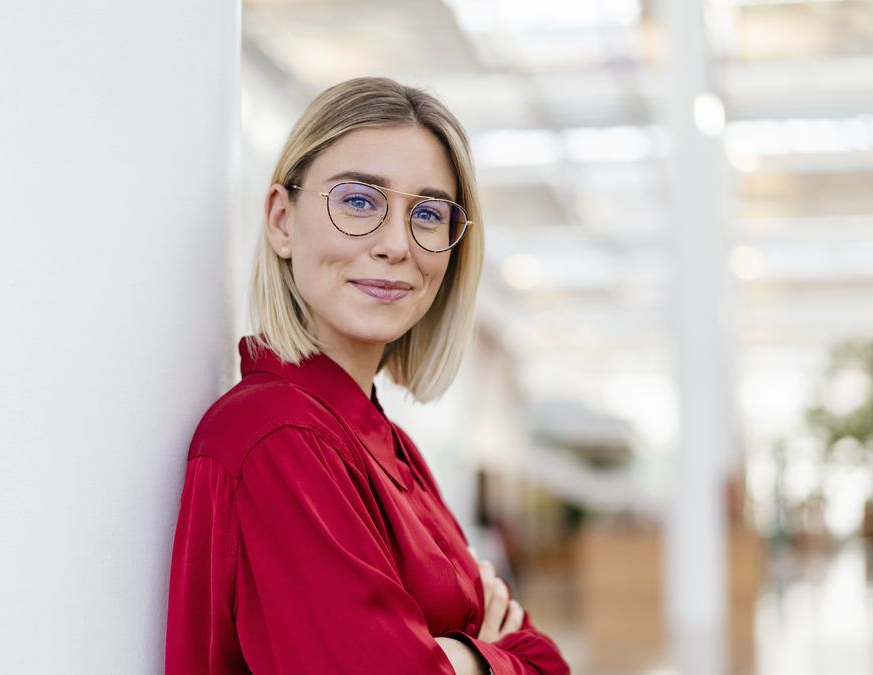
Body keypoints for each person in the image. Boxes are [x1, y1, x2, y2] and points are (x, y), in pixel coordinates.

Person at [163, 77, 571, 674]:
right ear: (281, 220)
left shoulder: (391, 447)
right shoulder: (275, 438)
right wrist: (488, 657)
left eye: (428, 214)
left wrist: (450, 659)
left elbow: (550, 662)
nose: (395, 244)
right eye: (358, 201)